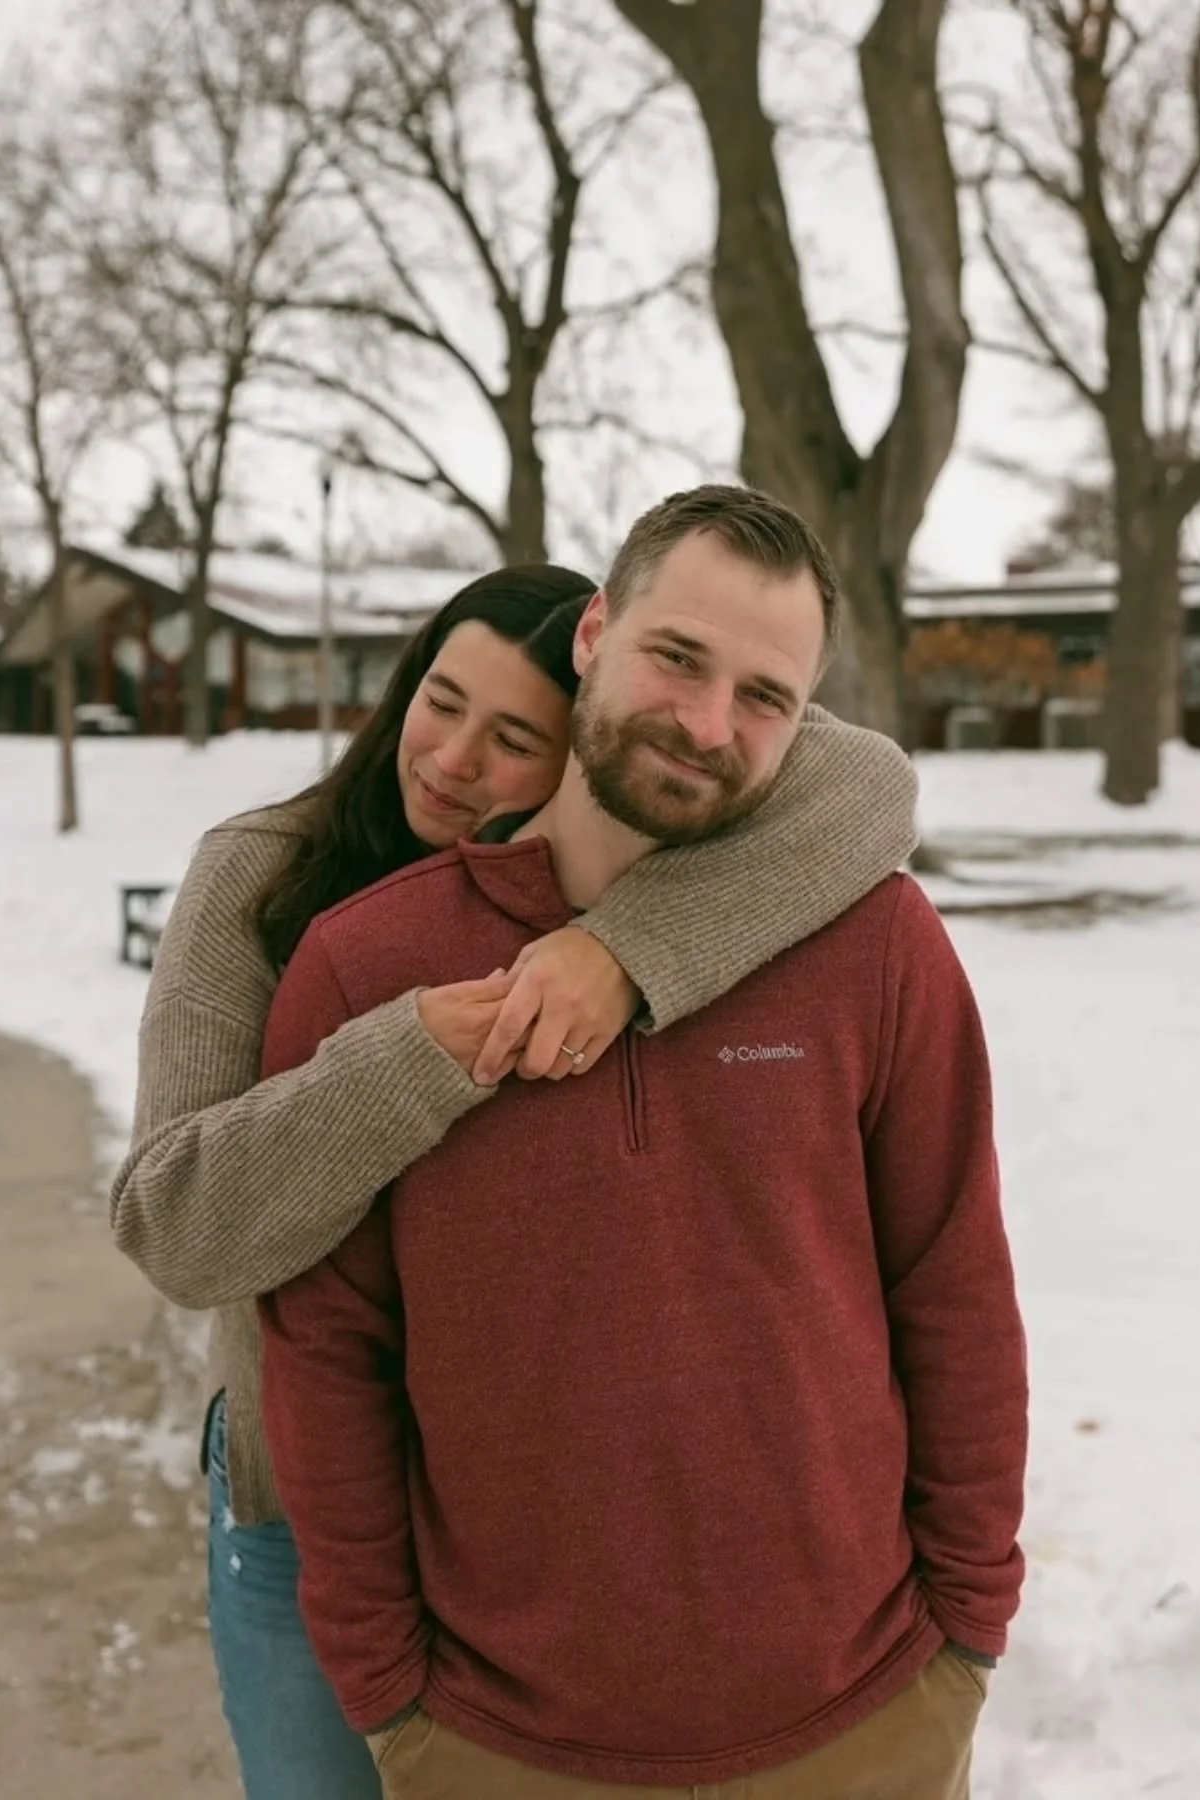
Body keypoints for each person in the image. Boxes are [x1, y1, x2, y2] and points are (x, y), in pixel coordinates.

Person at [258, 485, 1029, 1800]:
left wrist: (967, 1627)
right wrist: (395, 1697)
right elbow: (331, 1352)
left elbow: (952, 1286)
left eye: (765, 696)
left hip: (865, 1717)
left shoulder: (880, 947)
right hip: (503, 1745)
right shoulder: (371, 965)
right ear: (595, 633)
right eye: (678, 657)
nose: (709, 724)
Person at [112, 552, 919, 1800]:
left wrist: (621, 950)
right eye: (440, 702)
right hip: (305, 1502)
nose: (451, 760)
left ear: (582, 749)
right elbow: (178, 1231)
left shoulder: (637, 884)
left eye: (511, 738)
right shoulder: (262, 876)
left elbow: (869, 785)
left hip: (521, 1512)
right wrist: (408, 1052)